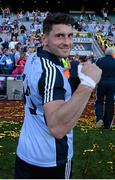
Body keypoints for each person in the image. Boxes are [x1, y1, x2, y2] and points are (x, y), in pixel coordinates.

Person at [14, 12, 102, 179]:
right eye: (60, 36)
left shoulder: (33, 58)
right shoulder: (51, 72)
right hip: (50, 159)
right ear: (44, 39)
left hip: (25, 152)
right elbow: (57, 128)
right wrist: (88, 84)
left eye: (70, 36)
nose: (67, 42)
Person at [95, 47, 115, 129]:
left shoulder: (99, 61)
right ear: (112, 53)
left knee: (99, 101)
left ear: (105, 53)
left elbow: (95, 71)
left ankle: (99, 118)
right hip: (113, 84)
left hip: (101, 83)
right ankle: (107, 124)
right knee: (109, 103)